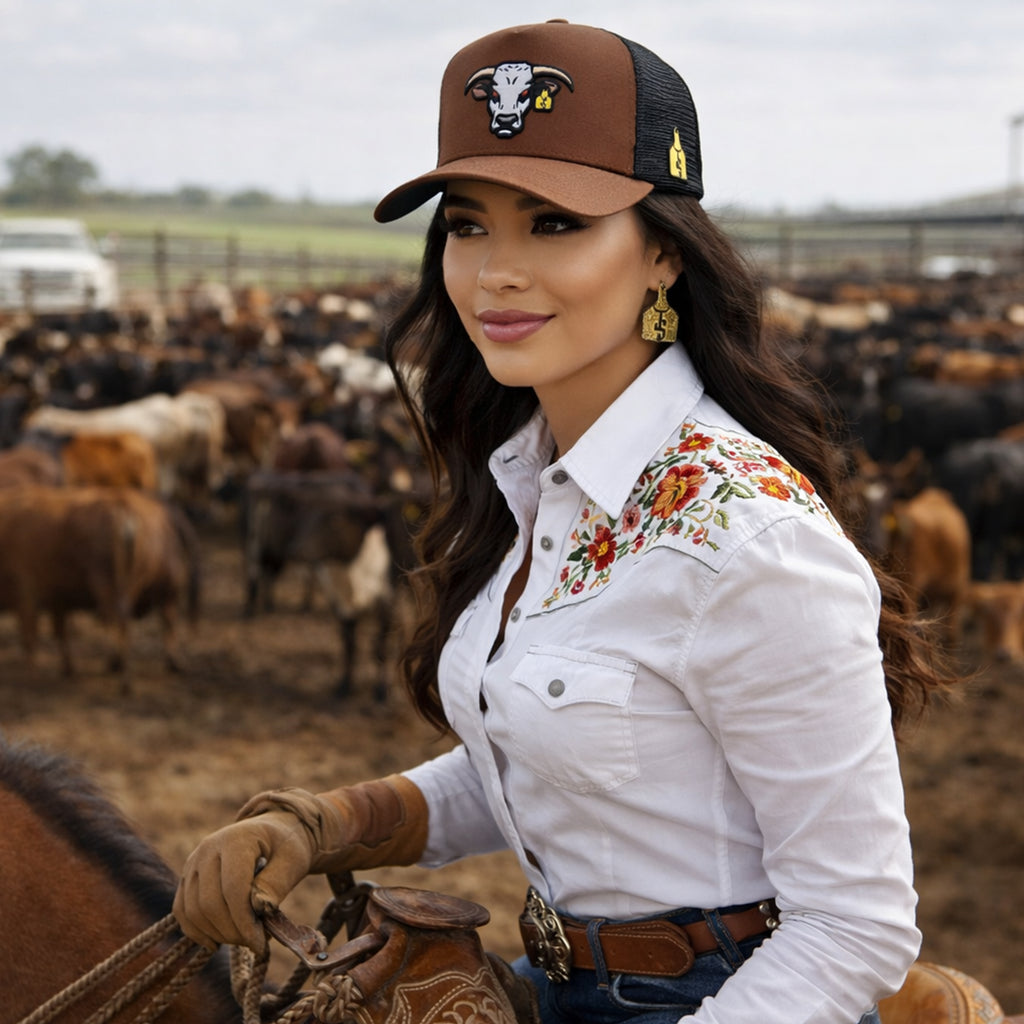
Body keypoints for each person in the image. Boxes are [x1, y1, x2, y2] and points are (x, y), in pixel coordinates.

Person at [173, 20, 952, 1024]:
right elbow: (548, 753)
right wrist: (329, 822)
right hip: (562, 984)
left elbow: (856, 923)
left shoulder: (746, 536)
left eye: (552, 224)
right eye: (467, 223)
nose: (495, 270)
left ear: (663, 252)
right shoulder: (538, 483)